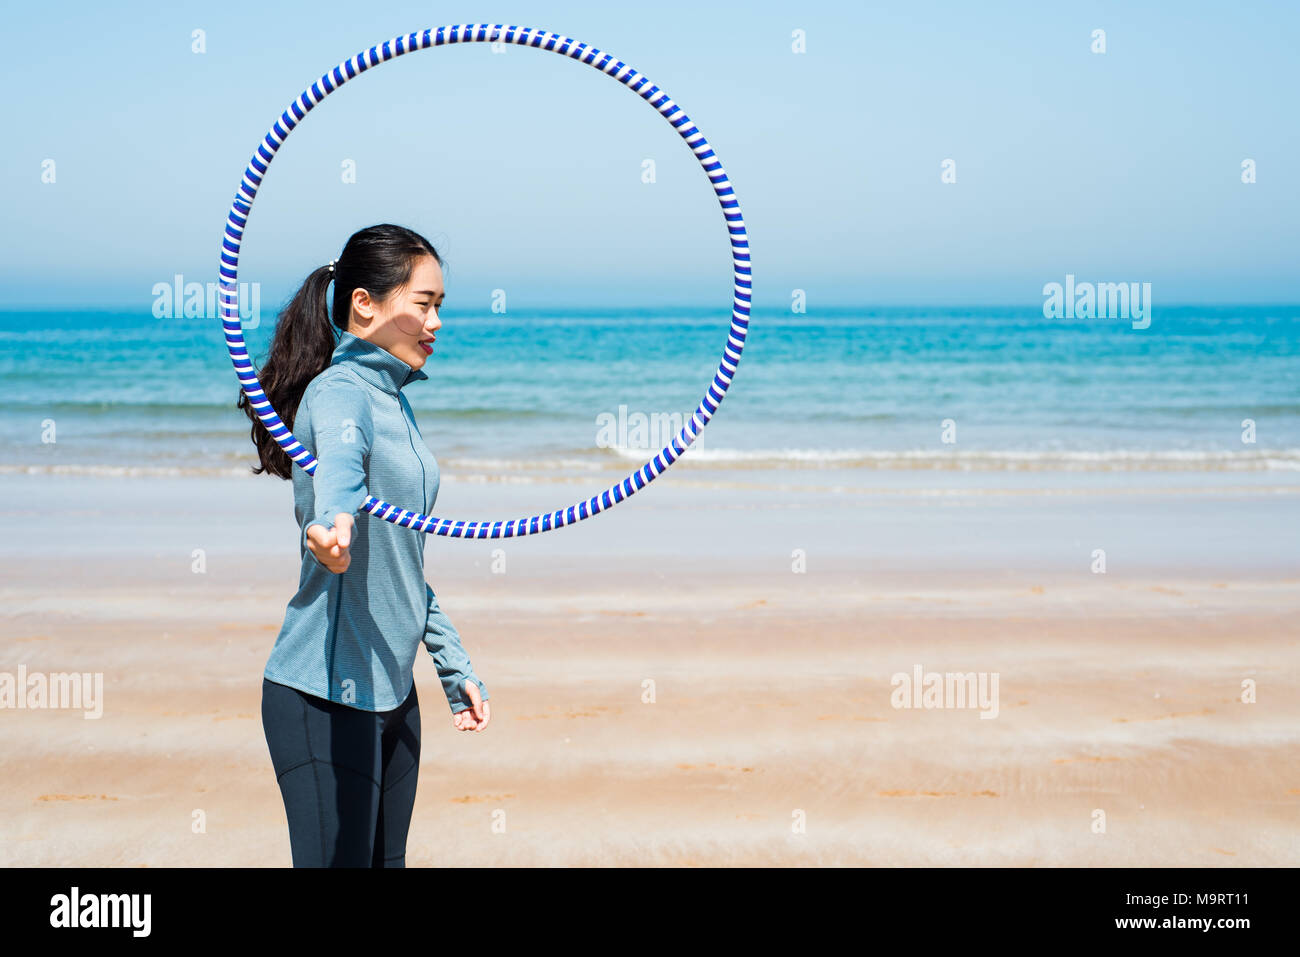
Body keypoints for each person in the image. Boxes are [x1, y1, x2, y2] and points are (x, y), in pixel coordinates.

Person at [239, 223, 490, 868]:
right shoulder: (341, 393)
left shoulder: (396, 402)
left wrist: (452, 664)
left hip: (393, 694)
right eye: (425, 304)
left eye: (440, 307)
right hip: (322, 695)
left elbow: (403, 562)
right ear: (365, 304)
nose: (436, 323)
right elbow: (343, 464)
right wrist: (333, 520)